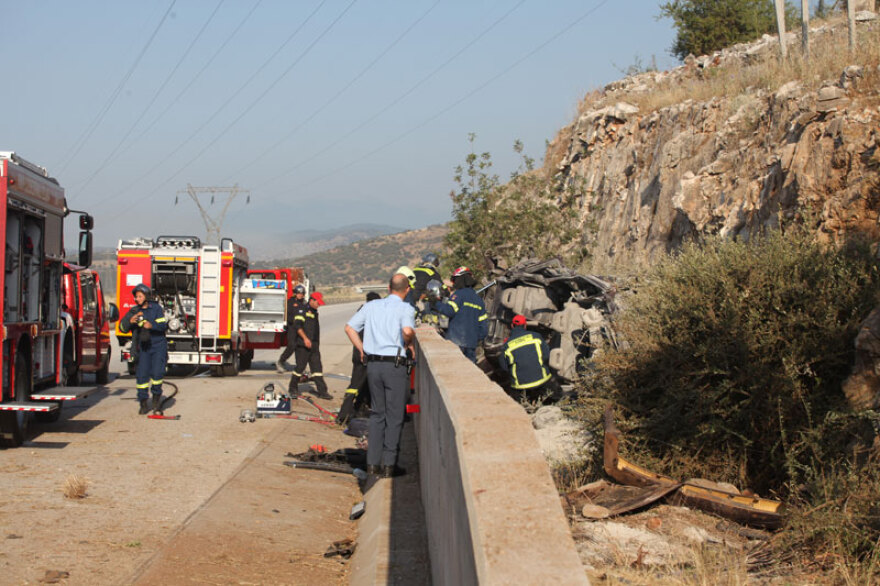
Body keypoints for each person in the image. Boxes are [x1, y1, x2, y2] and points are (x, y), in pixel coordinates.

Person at [344, 273, 415, 478]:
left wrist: (362, 350)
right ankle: (389, 466)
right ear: (407, 289)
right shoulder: (405, 308)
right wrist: (409, 343)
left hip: (373, 365)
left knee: (377, 415)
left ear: (388, 287)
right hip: (395, 366)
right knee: (394, 417)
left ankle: (372, 464)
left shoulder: (372, 306)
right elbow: (408, 331)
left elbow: (349, 328)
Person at [118, 284, 168, 414]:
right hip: (143, 348)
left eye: (140, 296)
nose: (137, 299)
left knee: (157, 374)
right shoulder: (134, 311)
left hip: (158, 346)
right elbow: (122, 328)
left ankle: (156, 401)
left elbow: (163, 326)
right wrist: (131, 321)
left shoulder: (156, 308)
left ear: (146, 296)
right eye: (136, 296)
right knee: (142, 377)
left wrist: (151, 325)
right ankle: (143, 403)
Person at [338, 291, 381, 424]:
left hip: (359, 351)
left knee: (364, 383)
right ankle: (343, 415)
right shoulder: (373, 313)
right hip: (364, 353)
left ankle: (359, 409)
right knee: (356, 383)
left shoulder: (362, 311)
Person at [434, 266, 488, 363]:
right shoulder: (479, 300)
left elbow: (449, 311)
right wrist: (473, 338)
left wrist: (436, 303)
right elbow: (484, 329)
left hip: (455, 342)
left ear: (460, 279)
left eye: (454, 280)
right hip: (471, 345)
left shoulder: (458, 295)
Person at [498, 314, 557, 401]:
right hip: (542, 382)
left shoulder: (507, 345)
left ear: (512, 326)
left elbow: (504, 367)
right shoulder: (536, 336)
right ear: (525, 325)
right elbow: (547, 356)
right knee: (555, 394)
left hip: (521, 387)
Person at [288, 291, 331, 400]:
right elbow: (297, 326)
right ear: (312, 300)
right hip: (303, 345)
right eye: (317, 302)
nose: (319, 305)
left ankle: (323, 391)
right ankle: (292, 388)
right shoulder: (302, 310)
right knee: (300, 368)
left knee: (317, 369)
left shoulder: (315, 312)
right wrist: (305, 339)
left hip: (314, 345)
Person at [277, 284, 307, 373]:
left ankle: (300, 367)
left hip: (301, 328)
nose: (300, 295)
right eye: (298, 293)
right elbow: (288, 315)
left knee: (300, 347)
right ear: (295, 293)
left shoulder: (305, 303)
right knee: (292, 345)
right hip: (292, 328)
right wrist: (293, 322)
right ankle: (281, 361)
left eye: (302, 293)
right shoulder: (290, 302)